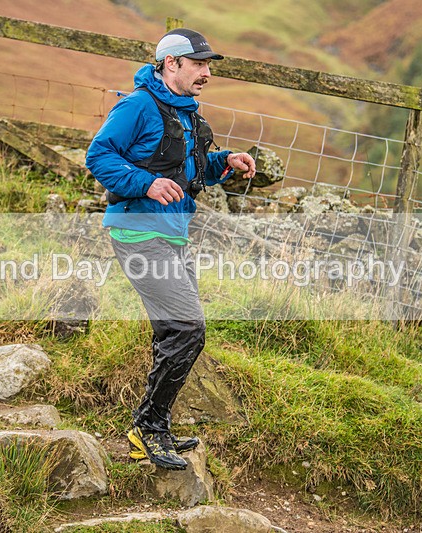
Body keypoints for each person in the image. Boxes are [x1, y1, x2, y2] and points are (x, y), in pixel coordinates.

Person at [86, 28, 256, 471]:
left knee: (175, 332)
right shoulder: (138, 106)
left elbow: (189, 170)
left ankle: (153, 429)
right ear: (170, 64)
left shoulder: (188, 116)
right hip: (139, 233)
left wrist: (226, 161)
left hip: (173, 235)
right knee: (186, 329)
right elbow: (99, 155)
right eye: (198, 64)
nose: (206, 72)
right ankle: (147, 429)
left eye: (208, 65)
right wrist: (143, 183)